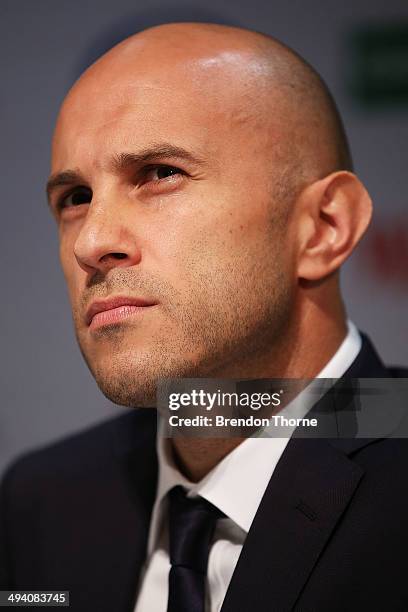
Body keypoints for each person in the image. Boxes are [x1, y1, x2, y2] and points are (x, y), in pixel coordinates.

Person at [0, 22, 407, 612]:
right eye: (75, 197)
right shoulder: (42, 500)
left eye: (161, 173)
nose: (91, 241)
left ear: (324, 228)